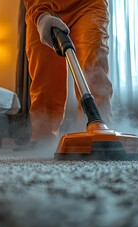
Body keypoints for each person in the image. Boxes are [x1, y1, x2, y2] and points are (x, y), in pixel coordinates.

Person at [22, 0, 113, 148]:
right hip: (43, 4)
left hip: (88, 5)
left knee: (94, 67)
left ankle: (99, 136)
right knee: (45, 77)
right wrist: (41, 15)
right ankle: (42, 139)